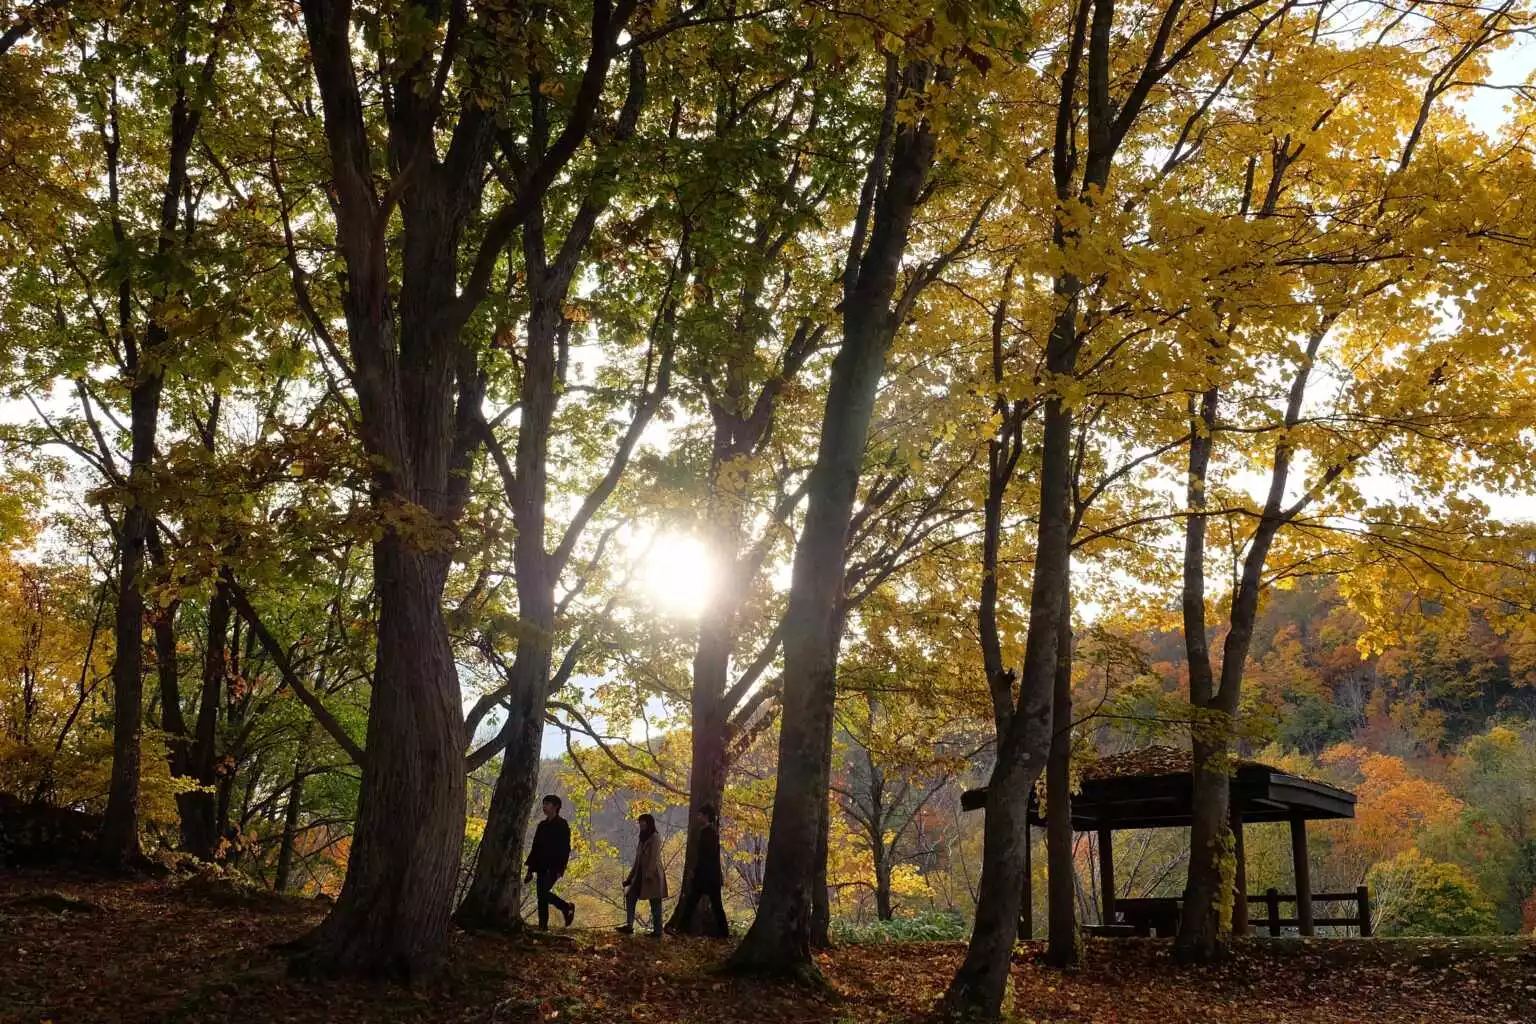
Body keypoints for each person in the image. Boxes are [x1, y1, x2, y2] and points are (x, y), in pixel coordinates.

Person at [672, 803, 730, 938]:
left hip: (706, 877)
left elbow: (706, 857)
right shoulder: (710, 832)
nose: (698, 817)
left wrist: (696, 872)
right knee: (705, 903)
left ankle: (681, 929)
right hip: (710, 877)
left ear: (706, 816)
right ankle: (722, 933)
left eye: (700, 815)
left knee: (697, 903)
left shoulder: (709, 833)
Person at [524, 794, 575, 930]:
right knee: (542, 897)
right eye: (544, 804)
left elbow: (565, 848)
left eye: (547, 804)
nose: (544, 807)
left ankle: (566, 907)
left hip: (553, 866)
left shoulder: (562, 825)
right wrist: (529, 869)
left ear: (556, 807)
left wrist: (561, 868)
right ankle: (543, 927)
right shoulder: (542, 825)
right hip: (540, 865)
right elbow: (535, 847)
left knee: (543, 894)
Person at [616, 812, 667, 937]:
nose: (641, 824)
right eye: (640, 822)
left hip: (653, 876)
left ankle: (658, 931)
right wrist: (629, 878)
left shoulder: (655, 837)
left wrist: (649, 874)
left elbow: (654, 858)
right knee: (630, 896)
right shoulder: (642, 838)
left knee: (655, 903)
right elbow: (637, 860)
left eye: (642, 822)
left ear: (648, 823)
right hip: (640, 875)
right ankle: (629, 926)